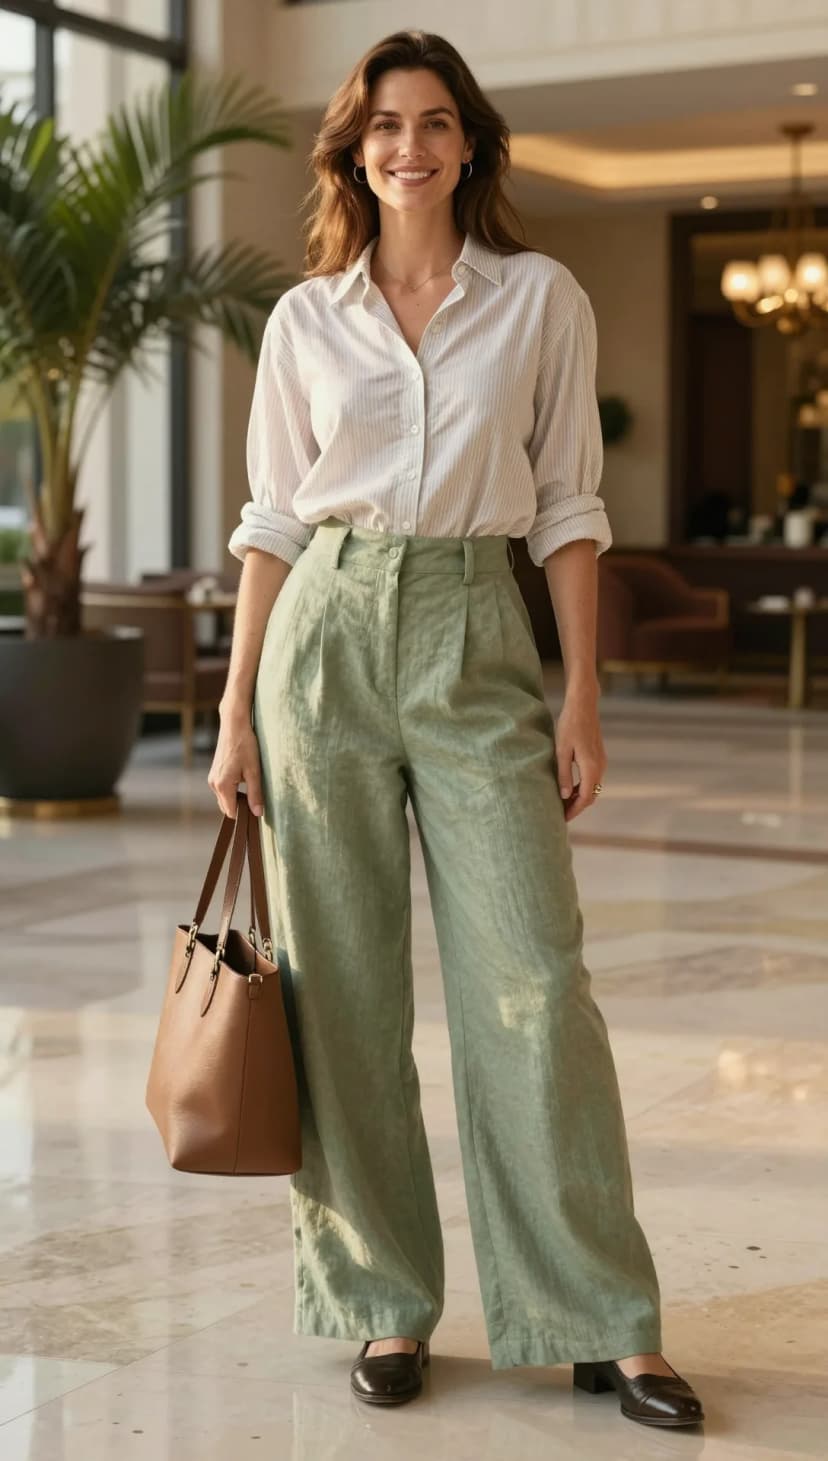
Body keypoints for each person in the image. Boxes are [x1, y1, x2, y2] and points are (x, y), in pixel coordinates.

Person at [210, 27, 704, 1430]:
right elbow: (271, 523)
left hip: (478, 630)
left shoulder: (538, 299)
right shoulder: (308, 319)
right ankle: (382, 1303)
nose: (409, 145)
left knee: (537, 984)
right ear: (353, 150)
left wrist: (583, 689)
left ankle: (605, 1315)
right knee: (341, 991)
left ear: (470, 142)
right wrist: (236, 708)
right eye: (383, 126)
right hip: (327, 636)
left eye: (433, 122)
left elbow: (566, 504)